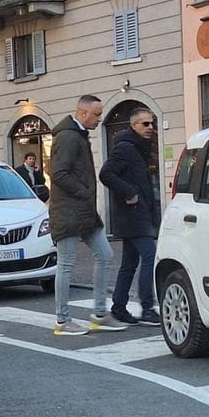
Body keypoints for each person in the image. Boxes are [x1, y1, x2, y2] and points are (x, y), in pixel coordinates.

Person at [47, 95, 128, 336]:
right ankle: (62, 320)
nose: (99, 119)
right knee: (66, 264)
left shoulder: (78, 135)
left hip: (83, 211)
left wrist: (84, 196)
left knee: (105, 255)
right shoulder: (68, 137)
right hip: (69, 212)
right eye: (97, 114)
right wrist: (83, 192)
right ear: (83, 113)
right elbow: (58, 173)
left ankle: (99, 314)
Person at [99, 108, 162, 326]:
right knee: (150, 256)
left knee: (129, 263)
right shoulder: (126, 148)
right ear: (134, 126)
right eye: (145, 124)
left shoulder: (140, 147)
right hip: (133, 215)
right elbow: (106, 173)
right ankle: (147, 308)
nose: (150, 127)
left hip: (138, 214)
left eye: (152, 123)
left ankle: (118, 308)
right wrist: (129, 193)